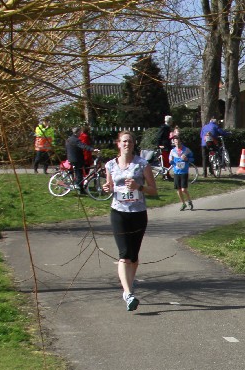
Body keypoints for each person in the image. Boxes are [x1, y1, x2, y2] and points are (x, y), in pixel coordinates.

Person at [104, 130, 158, 311]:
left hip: (138, 213)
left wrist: (138, 187)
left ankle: (129, 285)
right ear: (118, 144)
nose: (127, 144)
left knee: (133, 256)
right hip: (119, 213)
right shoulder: (110, 165)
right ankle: (128, 293)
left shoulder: (142, 164)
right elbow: (111, 187)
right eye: (124, 141)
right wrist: (107, 188)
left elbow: (153, 190)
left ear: (134, 145)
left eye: (130, 142)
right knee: (124, 254)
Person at [64, 127, 98, 195]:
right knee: (79, 175)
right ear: (77, 132)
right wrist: (93, 149)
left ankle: (81, 189)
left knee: (79, 174)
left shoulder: (69, 139)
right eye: (80, 132)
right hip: (76, 159)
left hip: (71, 158)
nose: (81, 133)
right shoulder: (76, 140)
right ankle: (78, 187)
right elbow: (83, 146)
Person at [169, 135, 195, 211]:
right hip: (176, 172)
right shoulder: (172, 151)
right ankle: (183, 204)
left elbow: (192, 158)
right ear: (174, 143)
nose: (177, 143)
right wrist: (171, 161)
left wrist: (187, 159)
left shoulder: (186, 150)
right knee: (178, 190)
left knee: (183, 189)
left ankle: (189, 201)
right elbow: (170, 161)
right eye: (175, 142)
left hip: (184, 172)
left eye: (178, 142)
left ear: (181, 142)